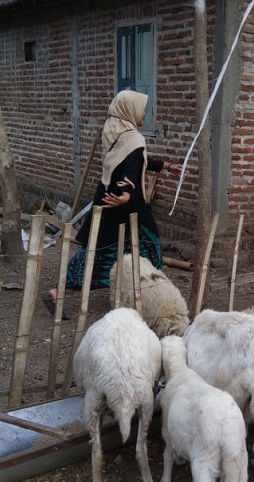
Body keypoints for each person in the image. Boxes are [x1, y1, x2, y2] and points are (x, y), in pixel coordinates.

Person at [43, 90, 183, 317]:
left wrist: (165, 166)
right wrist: (127, 193)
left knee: (97, 251)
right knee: (149, 247)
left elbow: (133, 161)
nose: (145, 114)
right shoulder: (134, 138)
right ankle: (146, 297)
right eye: (142, 108)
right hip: (127, 204)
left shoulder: (114, 129)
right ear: (130, 109)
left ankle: (58, 291)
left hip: (108, 197)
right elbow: (131, 167)